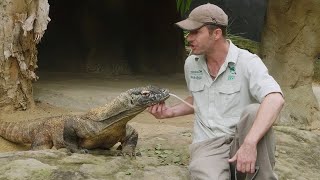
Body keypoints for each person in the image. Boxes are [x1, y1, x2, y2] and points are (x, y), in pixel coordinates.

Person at [147, 3, 284, 180]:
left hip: (242, 138)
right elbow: (198, 99)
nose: (189, 38)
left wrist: (249, 143)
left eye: (196, 32)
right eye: (189, 32)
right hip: (208, 144)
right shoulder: (191, 63)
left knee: (255, 111)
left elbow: (275, 99)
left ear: (216, 33)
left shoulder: (248, 62)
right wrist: (169, 112)